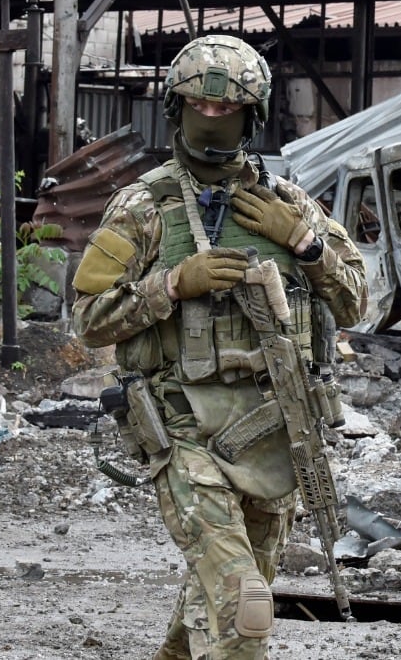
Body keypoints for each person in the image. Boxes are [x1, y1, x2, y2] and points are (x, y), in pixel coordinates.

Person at [71, 34, 368, 659]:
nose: (212, 122)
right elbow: (89, 320)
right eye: (199, 109)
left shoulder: (288, 203)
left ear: (251, 116)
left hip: (274, 435)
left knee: (216, 606)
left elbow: (355, 304)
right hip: (183, 431)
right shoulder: (142, 207)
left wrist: (308, 247)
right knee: (244, 609)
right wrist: (173, 285)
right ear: (175, 112)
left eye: (226, 110)